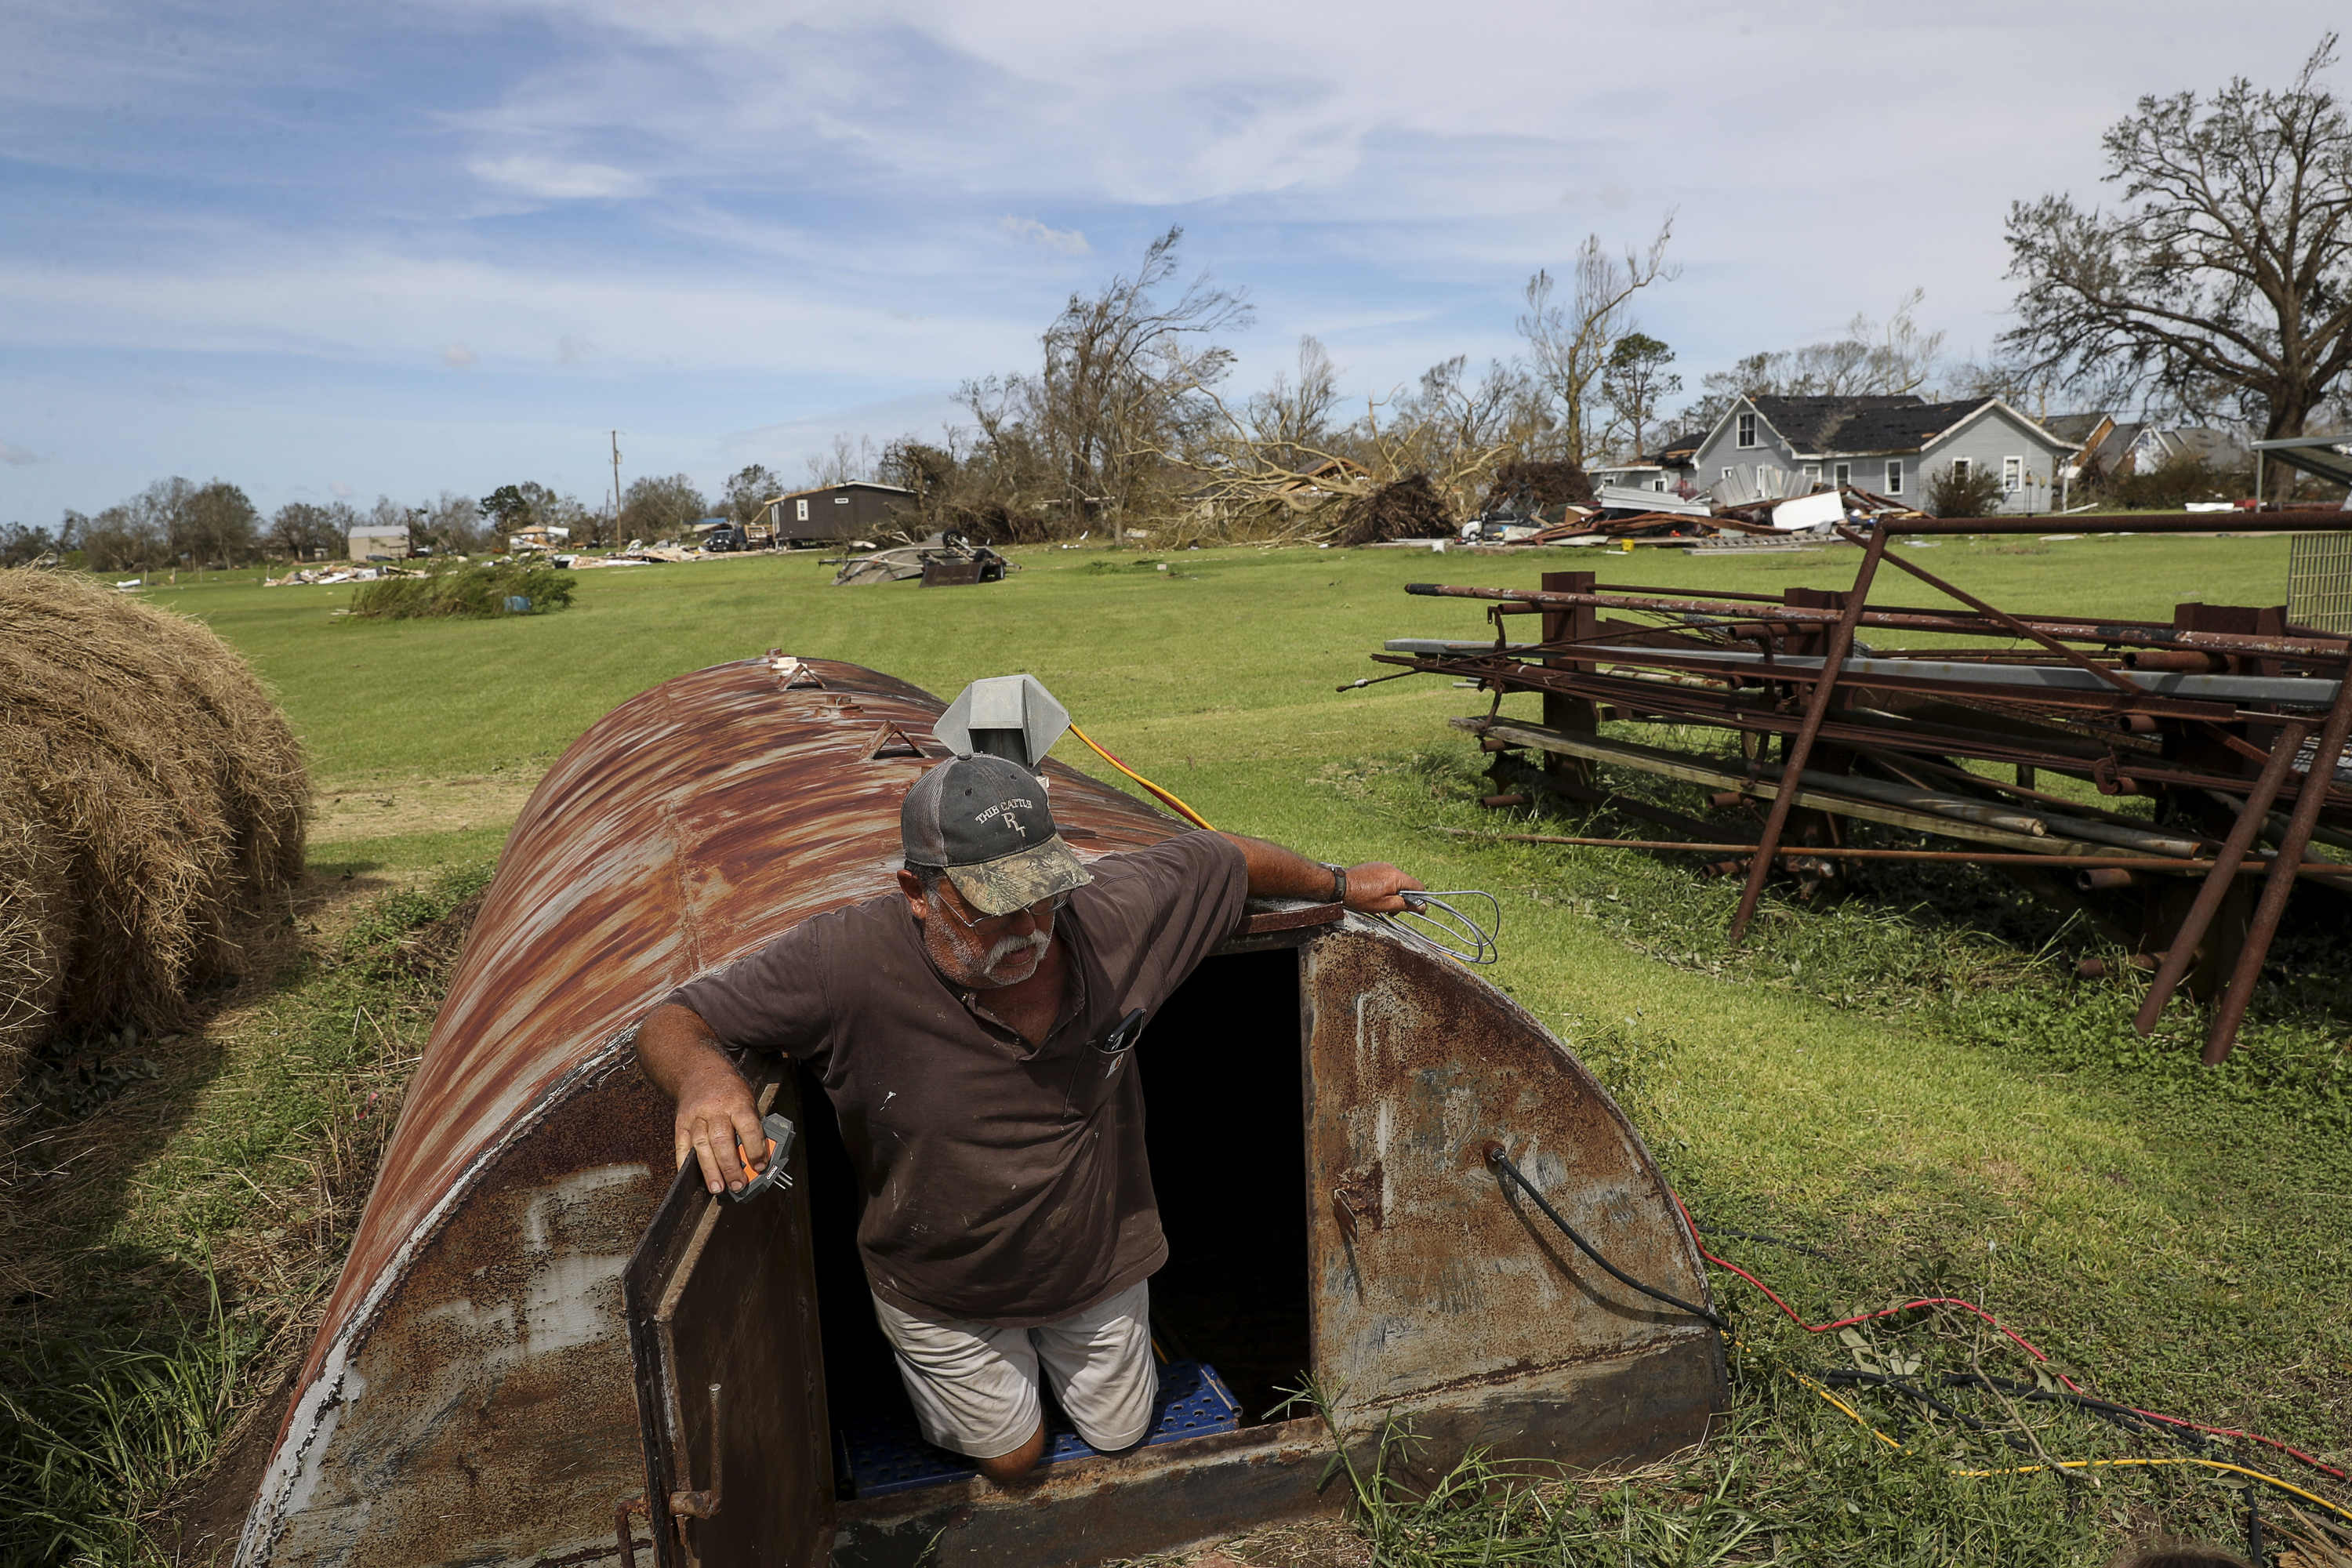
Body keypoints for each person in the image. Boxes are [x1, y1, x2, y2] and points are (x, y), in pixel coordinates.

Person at [635, 752, 1421, 1484]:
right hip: (940, 1278)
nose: (1030, 932)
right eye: (994, 909)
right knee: (1015, 1459)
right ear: (918, 892)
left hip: (1098, 1255)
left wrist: (1340, 885)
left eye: (1043, 895)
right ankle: (949, 1390)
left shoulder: (1111, 917)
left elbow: (1222, 858)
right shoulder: (841, 963)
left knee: (1118, 1433)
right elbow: (673, 1020)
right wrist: (706, 1078)